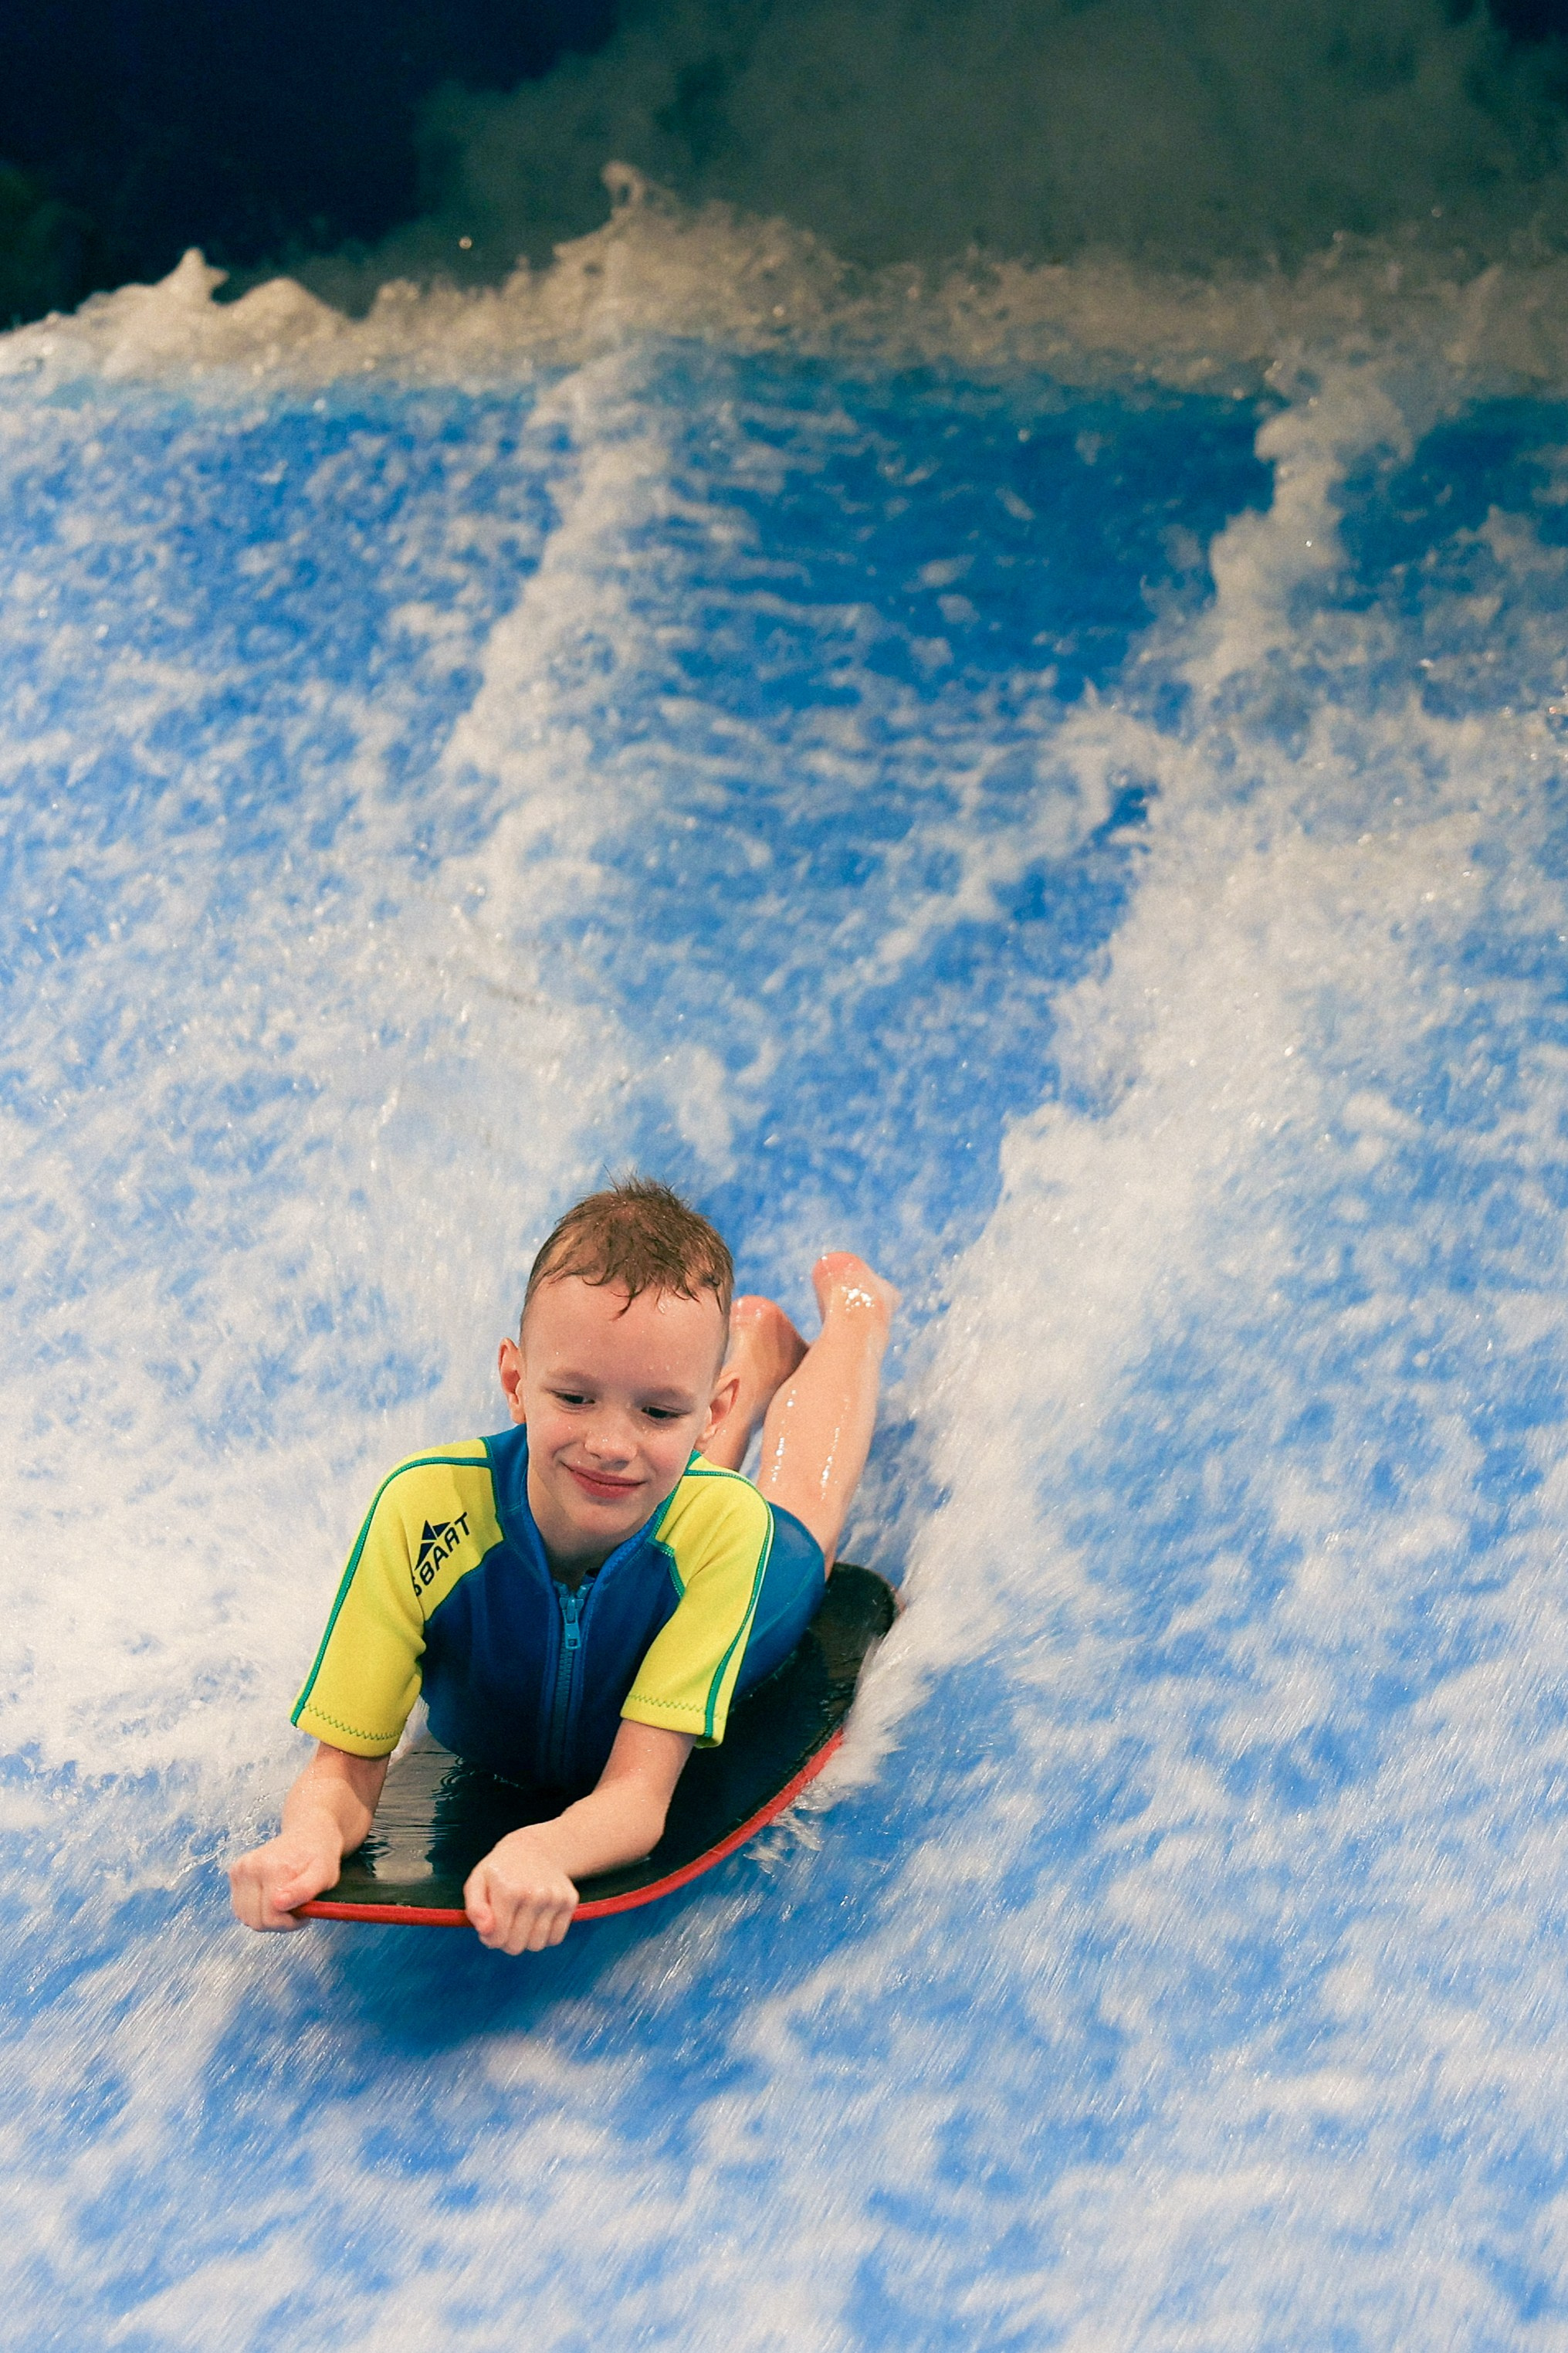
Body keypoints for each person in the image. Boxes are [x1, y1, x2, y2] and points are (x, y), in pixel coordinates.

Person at [229, 1176, 899, 1956]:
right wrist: (308, 1836)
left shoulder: (727, 1537)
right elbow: (342, 1772)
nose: (608, 1441)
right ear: (516, 1383)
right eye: (575, 1397)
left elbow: (637, 1796)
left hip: (707, 1573)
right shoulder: (422, 1515)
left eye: (661, 1409)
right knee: (644, 1477)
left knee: (800, 1515)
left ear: (709, 1412)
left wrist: (545, 1848)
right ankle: (747, 1347)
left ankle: (857, 1315)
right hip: (662, 1509)